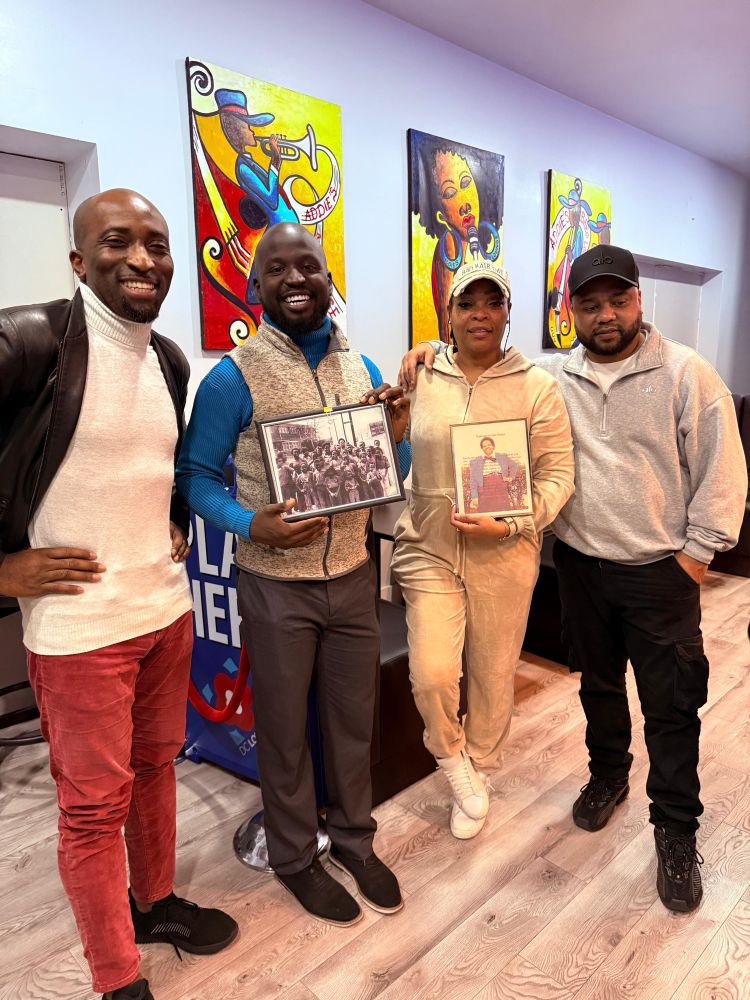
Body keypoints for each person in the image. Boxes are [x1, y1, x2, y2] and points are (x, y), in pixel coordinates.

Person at [398, 245, 748, 911]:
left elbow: (724, 474)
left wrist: (695, 560)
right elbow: (475, 378)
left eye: (618, 300)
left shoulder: (687, 374)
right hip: (583, 565)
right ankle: (608, 775)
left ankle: (676, 831)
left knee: (671, 708)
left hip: (660, 571)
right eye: (590, 305)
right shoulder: (557, 375)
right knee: (598, 688)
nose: (605, 315)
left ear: (639, 300)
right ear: (570, 312)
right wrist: (428, 351)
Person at [0, 189, 238, 1000]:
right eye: (117, 241)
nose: (142, 258)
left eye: (157, 244)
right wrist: (0, 571)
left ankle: (154, 903)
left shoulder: (167, 358)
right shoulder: (27, 342)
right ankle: (116, 977)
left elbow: (152, 465)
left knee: (156, 769)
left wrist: (171, 516)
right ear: (78, 260)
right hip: (79, 633)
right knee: (94, 811)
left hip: (164, 612)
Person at [177, 221, 411, 926]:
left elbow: (389, 473)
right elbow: (194, 478)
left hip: (353, 574)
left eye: (307, 265)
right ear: (255, 286)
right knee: (282, 731)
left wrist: (397, 436)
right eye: (276, 270)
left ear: (328, 278)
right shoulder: (231, 377)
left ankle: (355, 841)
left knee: (353, 723)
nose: (295, 279)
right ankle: (293, 855)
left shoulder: (362, 368)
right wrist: (254, 524)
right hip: (275, 582)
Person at [391, 259, 574, 840]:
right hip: (429, 546)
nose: (480, 315)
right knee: (433, 673)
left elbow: (558, 477)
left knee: (493, 675)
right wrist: (391, 423)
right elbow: (395, 452)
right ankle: (453, 762)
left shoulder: (537, 387)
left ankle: (483, 765)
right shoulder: (422, 376)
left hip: (505, 553)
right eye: (467, 303)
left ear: (507, 312)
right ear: (448, 313)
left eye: (493, 303)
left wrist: (514, 523)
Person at [468, 436, 518, 513]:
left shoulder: (503, 456)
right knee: (486, 512)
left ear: (493, 446)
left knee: (503, 510)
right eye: (484, 446)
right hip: (484, 489)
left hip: (501, 487)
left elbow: (514, 465)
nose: (487, 447)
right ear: (482, 449)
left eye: (489, 445)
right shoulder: (475, 461)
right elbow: (473, 480)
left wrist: (511, 477)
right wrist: (474, 496)